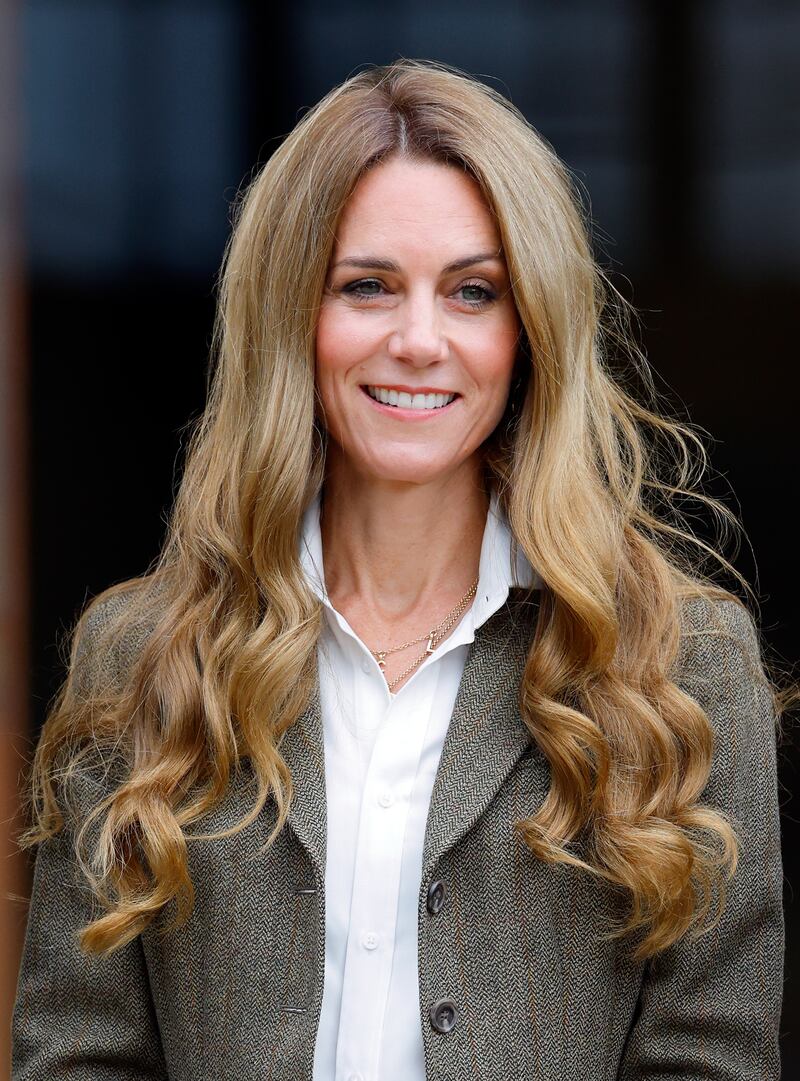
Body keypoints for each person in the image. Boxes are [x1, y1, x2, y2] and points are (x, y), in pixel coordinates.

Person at [11, 59, 785, 1080]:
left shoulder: (680, 665)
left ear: (527, 332)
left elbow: (709, 1057)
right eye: (366, 286)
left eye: (472, 292)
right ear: (293, 313)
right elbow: (75, 1053)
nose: (419, 341)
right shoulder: (143, 655)